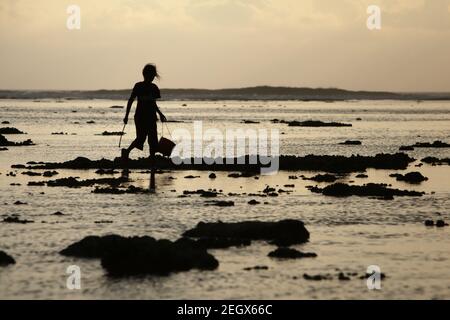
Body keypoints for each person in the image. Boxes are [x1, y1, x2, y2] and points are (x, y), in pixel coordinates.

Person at [122, 64, 167, 163]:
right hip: (140, 117)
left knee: (153, 139)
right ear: (145, 74)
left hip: (151, 116)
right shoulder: (138, 86)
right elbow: (131, 100)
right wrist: (126, 116)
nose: (152, 77)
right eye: (151, 75)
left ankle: (152, 157)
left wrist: (160, 113)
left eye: (153, 76)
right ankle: (126, 152)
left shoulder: (154, 87)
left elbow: (153, 103)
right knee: (140, 138)